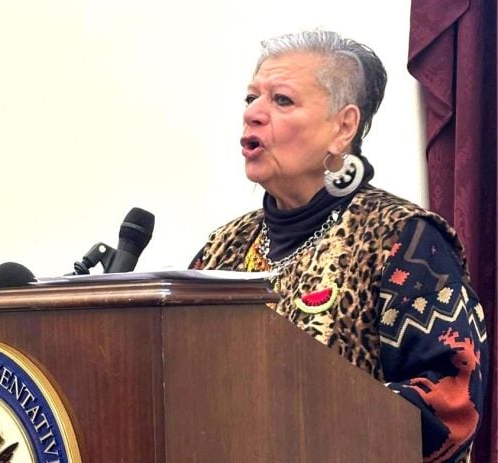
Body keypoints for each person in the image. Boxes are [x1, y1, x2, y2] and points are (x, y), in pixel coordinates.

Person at [190, 30, 487, 463]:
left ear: (343, 127)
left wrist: (292, 420)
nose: (252, 113)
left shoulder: (402, 238)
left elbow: (450, 406)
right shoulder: (224, 248)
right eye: (251, 98)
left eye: (282, 100)